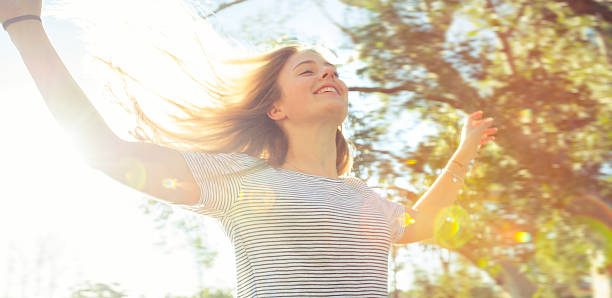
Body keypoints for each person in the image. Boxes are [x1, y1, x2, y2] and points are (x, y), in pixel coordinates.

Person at [2, 0, 498, 296]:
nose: (329, 73)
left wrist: (465, 151)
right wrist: (23, 22)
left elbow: (425, 224)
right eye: (308, 69)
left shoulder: (365, 200)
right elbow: (105, 152)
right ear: (275, 108)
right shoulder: (239, 179)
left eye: (332, 69)